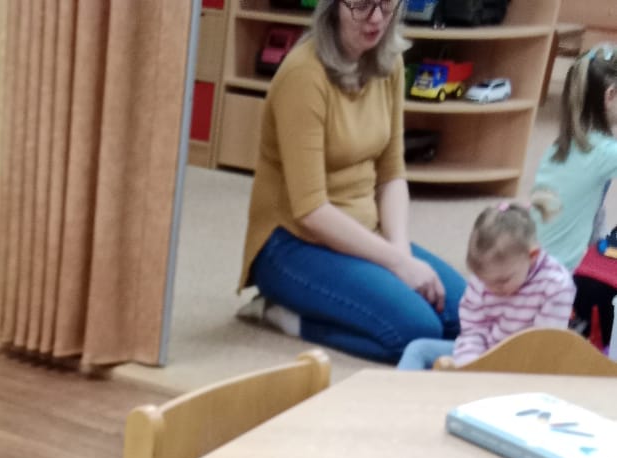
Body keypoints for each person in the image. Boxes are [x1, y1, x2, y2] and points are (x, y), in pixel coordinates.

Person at [239, 0, 465, 363]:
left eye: (386, 4)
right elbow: (311, 210)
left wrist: (400, 252)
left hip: (363, 233)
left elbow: (391, 173)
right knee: (416, 331)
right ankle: (284, 315)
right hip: (291, 244)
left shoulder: (388, 63)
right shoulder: (304, 75)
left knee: (466, 317)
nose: (375, 18)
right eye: (361, 5)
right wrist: (396, 263)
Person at [398, 201, 575, 369]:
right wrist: (471, 366)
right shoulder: (484, 278)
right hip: (485, 353)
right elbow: (473, 331)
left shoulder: (556, 285)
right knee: (418, 349)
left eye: (502, 281)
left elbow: (544, 347)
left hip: (527, 364)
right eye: (485, 280)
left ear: (532, 256)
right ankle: (396, 390)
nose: (492, 289)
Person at [530, 46, 617, 345]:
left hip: (533, 264)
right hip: (558, 282)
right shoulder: (604, 152)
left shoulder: (561, 145)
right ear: (610, 95)